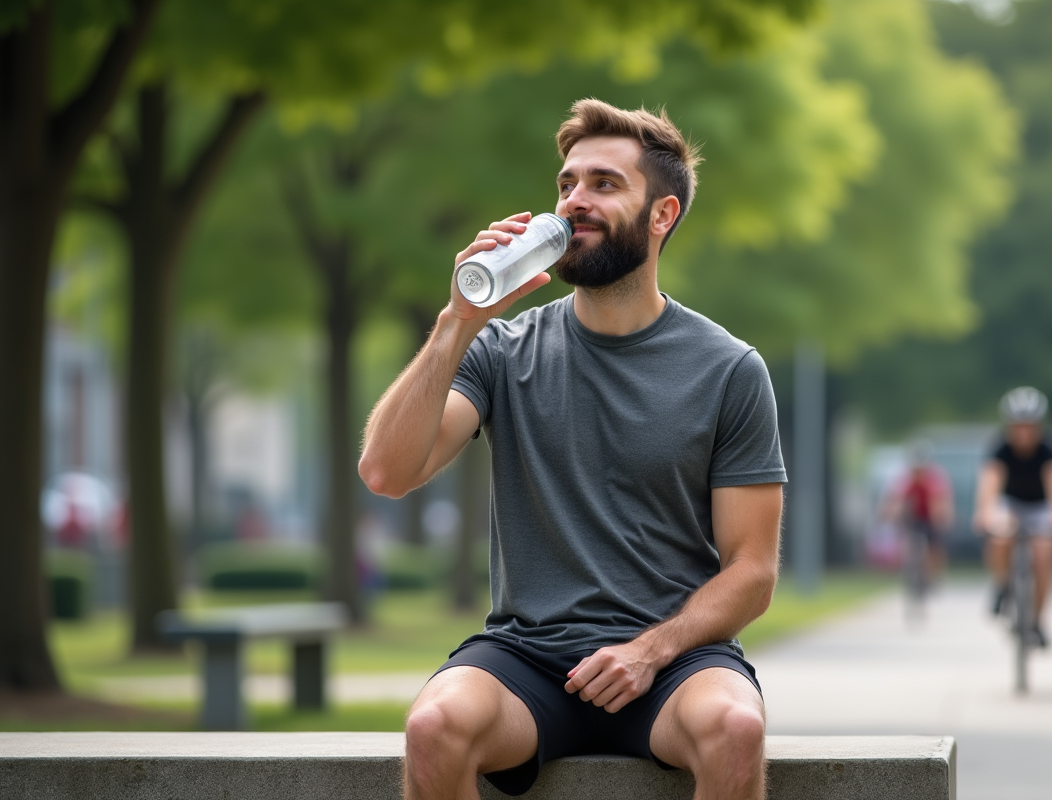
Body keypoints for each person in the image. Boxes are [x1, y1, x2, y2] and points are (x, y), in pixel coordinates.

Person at [358, 100, 786, 800]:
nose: (573, 202)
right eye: (566, 184)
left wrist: (651, 651)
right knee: (433, 726)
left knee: (736, 729)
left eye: (603, 184)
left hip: (675, 663)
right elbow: (386, 471)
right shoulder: (500, 349)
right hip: (526, 656)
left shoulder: (729, 369)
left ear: (662, 215)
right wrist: (455, 324)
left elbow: (753, 571)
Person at [973, 387, 1052, 647]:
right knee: (1000, 537)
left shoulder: (1051, 447)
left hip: (1042, 505)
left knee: (1044, 554)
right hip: (1011, 504)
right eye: (1018, 426)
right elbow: (990, 482)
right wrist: (985, 513)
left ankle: (1037, 620)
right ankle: (1002, 584)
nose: (1024, 433)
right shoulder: (1000, 447)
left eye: (1029, 426)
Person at [881, 439, 954, 586]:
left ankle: (934, 574)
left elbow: (940, 502)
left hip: (929, 516)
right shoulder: (904, 478)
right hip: (913, 516)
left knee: (935, 544)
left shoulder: (935, 478)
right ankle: (908, 567)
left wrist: (942, 518)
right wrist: (890, 514)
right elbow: (895, 499)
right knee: (907, 540)